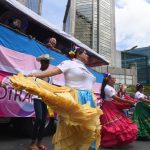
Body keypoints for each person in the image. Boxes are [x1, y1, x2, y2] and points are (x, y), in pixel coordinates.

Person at [18, 46, 102, 150]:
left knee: (88, 130)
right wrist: (34, 75)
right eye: (85, 53)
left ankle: (40, 142)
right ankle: (34, 143)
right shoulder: (69, 63)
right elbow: (53, 72)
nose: (87, 55)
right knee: (67, 127)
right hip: (73, 98)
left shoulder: (86, 68)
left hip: (88, 100)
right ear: (78, 54)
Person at [100, 73, 138, 148]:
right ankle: (111, 142)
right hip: (109, 107)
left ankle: (116, 141)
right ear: (109, 80)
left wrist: (124, 96)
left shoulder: (110, 87)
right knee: (113, 125)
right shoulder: (107, 88)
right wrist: (128, 101)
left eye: (114, 79)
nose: (115, 80)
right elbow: (116, 98)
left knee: (118, 123)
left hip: (112, 106)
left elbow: (117, 97)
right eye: (113, 79)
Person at [29, 54, 54, 150]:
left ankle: (39, 142)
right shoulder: (35, 72)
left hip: (45, 100)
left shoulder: (50, 76)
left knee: (44, 121)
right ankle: (32, 143)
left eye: (48, 62)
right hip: (37, 98)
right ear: (41, 62)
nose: (47, 64)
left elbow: (50, 88)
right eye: (45, 62)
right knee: (38, 119)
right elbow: (29, 83)